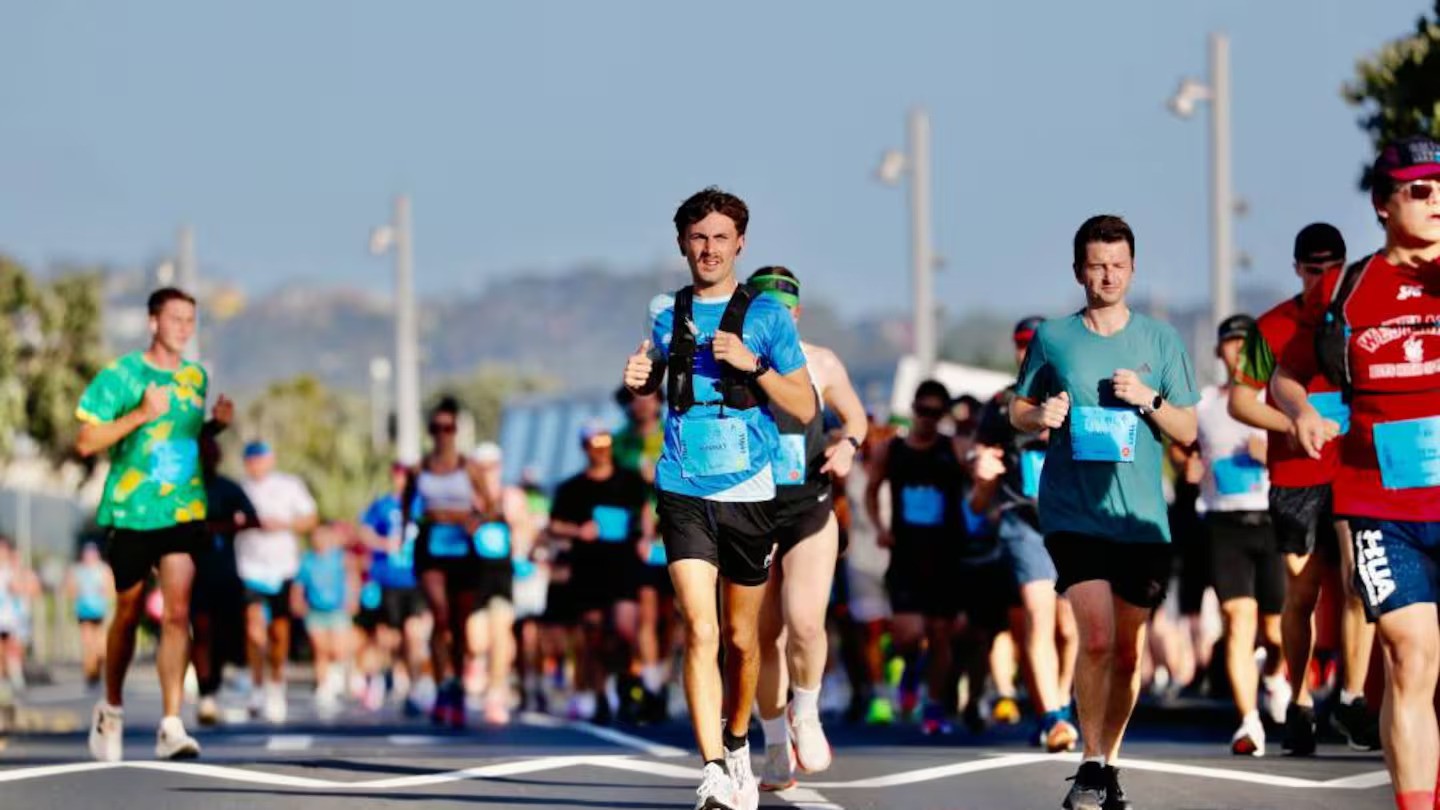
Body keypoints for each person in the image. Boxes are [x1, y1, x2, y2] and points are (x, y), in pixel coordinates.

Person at [621, 187, 815, 810]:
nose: (709, 249)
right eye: (698, 238)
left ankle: (738, 742)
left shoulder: (766, 316)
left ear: (740, 245)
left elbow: (806, 406)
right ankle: (710, 769)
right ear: (683, 243)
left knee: (740, 638)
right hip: (681, 485)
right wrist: (638, 379)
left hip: (749, 489)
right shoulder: (665, 312)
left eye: (720, 239)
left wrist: (755, 366)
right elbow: (653, 381)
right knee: (698, 630)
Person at [1270, 137, 1440, 810]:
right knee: (1410, 655)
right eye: (1418, 190)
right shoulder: (1346, 291)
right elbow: (1286, 374)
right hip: (1380, 507)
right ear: (1381, 203)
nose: (1435, 201)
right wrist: (1302, 411)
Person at [1010, 215, 1199, 810]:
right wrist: (1040, 417)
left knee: (1127, 649)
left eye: (1117, 264)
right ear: (1078, 271)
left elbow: (1189, 431)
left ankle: (1109, 759)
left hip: (1141, 518)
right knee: (1095, 635)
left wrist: (1151, 400)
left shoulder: (1161, 341)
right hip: (1073, 512)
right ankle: (1089, 762)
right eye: (1096, 265)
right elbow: (1017, 409)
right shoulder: (1054, 337)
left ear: (1133, 268)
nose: (1107, 275)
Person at [1229, 222, 1379, 754]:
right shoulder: (1271, 327)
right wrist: (1292, 422)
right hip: (1296, 474)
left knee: (1362, 578)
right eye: (1313, 269)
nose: (1323, 278)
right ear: (1297, 269)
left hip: (1357, 468)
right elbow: (1241, 402)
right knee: (1302, 592)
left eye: (1333, 268)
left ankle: (1354, 696)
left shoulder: (1364, 317)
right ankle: (1298, 699)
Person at [76, 287, 232, 761]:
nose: (184, 328)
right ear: (152, 322)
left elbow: (180, 439)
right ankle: (112, 709)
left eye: (191, 320)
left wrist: (214, 429)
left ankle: (171, 725)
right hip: (131, 511)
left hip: (182, 512)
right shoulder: (121, 375)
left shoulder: (195, 378)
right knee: (127, 612)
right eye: (175, 319)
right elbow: (86, 441)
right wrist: (141, 412)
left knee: (177, 612)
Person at [746, 267, 867, 790]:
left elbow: (857, 418)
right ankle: (774, 742)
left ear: (796, 313)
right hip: (750, 512)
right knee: (761, 635)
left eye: (784, 310)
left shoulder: (821, 362)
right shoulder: (736, 363)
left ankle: (807, 712)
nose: (777, 319)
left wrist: (847, 446)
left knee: (806, 622)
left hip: (809, 506)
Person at [974, 316, 1081, 752]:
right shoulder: (1002, 405)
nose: (1026, 352)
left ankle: (1063, 701)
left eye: (1034, 345)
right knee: (1039, 617)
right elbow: (979, 487)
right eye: (1021, 344)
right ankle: (1052, 714)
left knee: (1070, 627)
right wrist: (982, 475)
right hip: (1023, 522)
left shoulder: (1076, 395)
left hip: (1071, 522)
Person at [1196, 315, 1287, 756]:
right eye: (1230, 343)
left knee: (1276, 631)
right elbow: (1183, 446)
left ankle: (1274, 675)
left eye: (1245, 343)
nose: (1237, 351)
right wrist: (1186, 465)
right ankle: (1249, 721)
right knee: (1237, 621)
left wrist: (1270, 454)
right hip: (1223, 522)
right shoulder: (1204, 404)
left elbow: (1306, 445)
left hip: (1271, 520)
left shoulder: (1276, 398)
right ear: (1219, 352)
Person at [548, 424, 649, 725]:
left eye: (606, 442)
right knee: (592, 635)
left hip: (623, 563)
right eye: (595, 443)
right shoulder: (572, 488)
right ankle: (601, 693)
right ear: (584, 447)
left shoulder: (628, 480)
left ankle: (628, 678)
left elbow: (644, 510)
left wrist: (645, 536)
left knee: (624, 629)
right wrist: (579, 530)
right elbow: (553, 525)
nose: (601, 448)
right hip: (589, 566)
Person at [408, 398, 491, 728]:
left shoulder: (469, 468)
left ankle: (455, 685)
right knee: (440, 615)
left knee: (459, 624)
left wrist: (474, 519)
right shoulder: (420, 468)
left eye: (449, 428)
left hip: (462, 546)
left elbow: (490, 506)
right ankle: (442, 683)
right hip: (431, 545)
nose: (444, 434)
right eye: (437, 428)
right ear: (430, 432)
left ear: (456, 431)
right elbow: (406, 506)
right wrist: (416, 523)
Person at [236, 441, 318, 724]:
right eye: (252, 461)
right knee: (253, 626)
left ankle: (276, 683)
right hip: (250, 568)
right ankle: (257, 687)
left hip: (283, 568)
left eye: (261, 459)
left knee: (279, 632)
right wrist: (249, 523)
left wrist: (283, 524)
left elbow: (310, 518)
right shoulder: (241, 488)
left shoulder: (289, 485)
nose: (256, 465)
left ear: (270, 460)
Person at [189, 433, 257, 726]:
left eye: (211, 453)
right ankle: (206, 693)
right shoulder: (183, 488)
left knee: (230, 632)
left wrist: (222, 528)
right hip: (194, 574)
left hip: (226, 573)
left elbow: (253, 518)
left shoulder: (229, 489)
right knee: (201, 632)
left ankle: (230, 680)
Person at [465, 441, 531, 726]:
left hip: (502, 572)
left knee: (502, 629)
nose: (487, 472)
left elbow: (523, 525)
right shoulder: (468, 498)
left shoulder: (511, 495)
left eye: (492, 466)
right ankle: (477, 663)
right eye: (482, 467)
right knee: (476, 639)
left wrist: (520, 552)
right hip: (473, 571)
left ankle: (496, 693)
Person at [358, 462, 431, 716]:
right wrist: (382, 543)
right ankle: (377, 678)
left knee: (413, 635)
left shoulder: (424, 505)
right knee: (386, 637)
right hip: (387, 579)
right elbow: (364, 532)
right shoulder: (382, 505)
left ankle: (414, 688)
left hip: (415, 582)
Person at [292, 522, 360, 717]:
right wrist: (297, 602)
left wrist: (352, 599)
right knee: (320, 649)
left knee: (338, 650)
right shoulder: (308, 560)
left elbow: (352, 579)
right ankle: (324, 687)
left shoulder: (341, 558)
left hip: (337, 610)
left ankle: (337, 677)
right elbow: (298, 584)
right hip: (315, 611)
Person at [68, 542, 115, 691]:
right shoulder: (78, 570)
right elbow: (71, 589)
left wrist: (107, 600)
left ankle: (96, 668)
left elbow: (111, 589)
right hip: (84, 611)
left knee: (100, 646)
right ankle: (90, 674)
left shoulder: (103, 570)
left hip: (99, 610)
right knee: (88, 644)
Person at [0, 537, 39, 692]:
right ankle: (5, 678)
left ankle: (15, 675)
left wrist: (16, 586)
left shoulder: (13, 570)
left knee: (13, 646)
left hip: (11, 616)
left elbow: (27, 587)